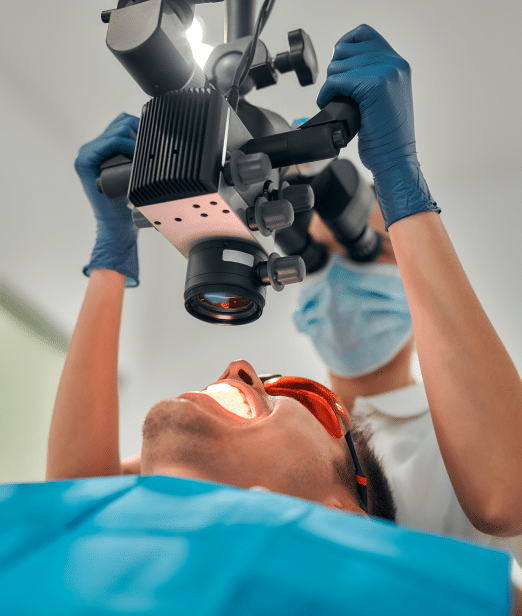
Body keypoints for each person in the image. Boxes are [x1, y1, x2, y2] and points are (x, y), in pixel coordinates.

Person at [39, 24, 522, 614]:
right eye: (312, 260)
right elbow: (81, 503)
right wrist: (111, 258)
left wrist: (403, 187)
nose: (243, 370)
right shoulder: (261, 446)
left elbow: (506, 492)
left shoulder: (472, 435)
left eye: (366, 251)